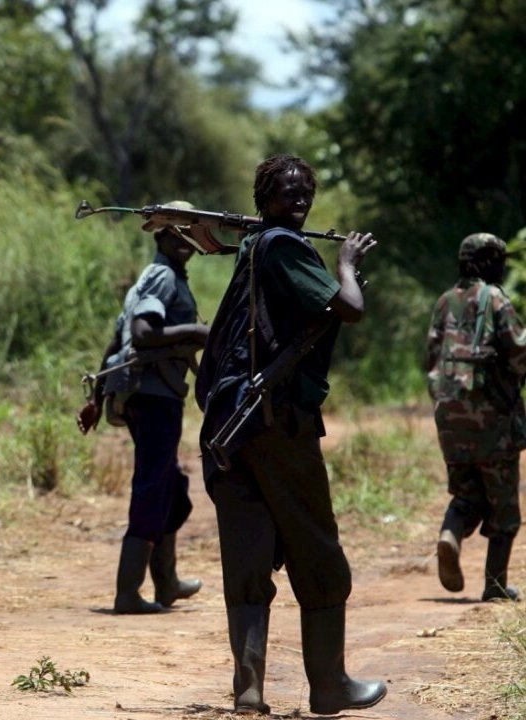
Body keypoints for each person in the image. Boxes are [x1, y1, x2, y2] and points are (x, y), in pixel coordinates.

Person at [194, 154, 386, 715]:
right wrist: (346, 263)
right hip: (276, 425)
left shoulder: (253, 250)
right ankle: (329, 686)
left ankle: (248, 690)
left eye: (305, 192)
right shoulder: (284, 247)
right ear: (264, 198)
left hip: (231, 428)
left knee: (248, 553)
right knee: (318, 552)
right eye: (286, 192)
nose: (299, 202)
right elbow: (349, 307)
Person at [76, 204, 208, 614]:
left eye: (190, 234)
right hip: (153, 396)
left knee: (173, 489)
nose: (185, 242)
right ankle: (128, 593)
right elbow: (142, 334)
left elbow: (115, 342)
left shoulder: (156, 278)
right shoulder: (162, 276)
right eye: (178, 234)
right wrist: (204, 332)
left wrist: (95, 398)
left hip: (149, 393)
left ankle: (166, 583)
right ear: (162, 237)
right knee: (153, 485)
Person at [426, 232, 526, 602]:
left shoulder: (444, 301)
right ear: (487, 262)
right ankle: (495, 586)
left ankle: (449, 535)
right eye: (499, 259)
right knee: (504, 509)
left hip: (450, 416)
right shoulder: (496, 298)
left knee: (466, 494)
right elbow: (519, 354)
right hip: (492, 421)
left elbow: (431, 359)